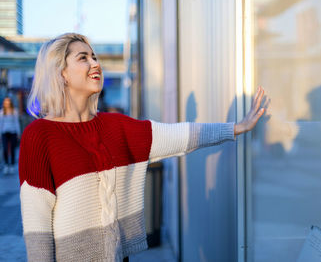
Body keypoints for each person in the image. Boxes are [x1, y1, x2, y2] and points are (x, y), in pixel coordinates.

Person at [18, 33, 268, 262]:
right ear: (61, 73)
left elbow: (180, 135)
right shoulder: (39, 135)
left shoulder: (117, 127)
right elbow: (37, 229)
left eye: (94, 56)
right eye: (83, 58)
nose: (96, 64)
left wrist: (236, 127)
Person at [0, 97, 21, 175]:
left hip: (13, 132)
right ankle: (6, 165)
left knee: (12, 149)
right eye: (6, 102)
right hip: (4, 132)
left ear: (10, 103)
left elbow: (16, 122)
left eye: (8, 102)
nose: (7, 103)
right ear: (4, 103)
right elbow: (0, 124)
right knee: (5, 149)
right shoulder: (2, 113)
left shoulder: (14, 112)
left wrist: (18, 132)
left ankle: (12, 165)